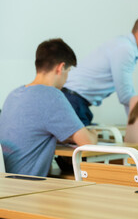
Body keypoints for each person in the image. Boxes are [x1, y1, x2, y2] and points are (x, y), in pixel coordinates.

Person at [0, 39, 97, 177]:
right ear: (60, 67)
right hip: (27, 186)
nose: (67, 78)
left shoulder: (14, 94)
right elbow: (88, 143)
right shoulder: (52, 96)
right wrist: (93, 133)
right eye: (68, 71)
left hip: (6, 184)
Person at [62, 14, 138, 126]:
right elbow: (126, 96)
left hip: (74, 99)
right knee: (86, 141)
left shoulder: (123, 44)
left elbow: (127, 95)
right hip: (74, 100)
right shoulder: (126, 49)